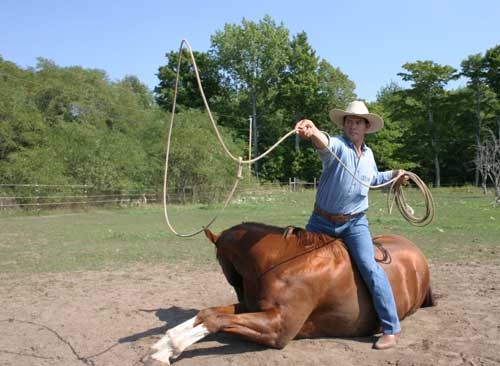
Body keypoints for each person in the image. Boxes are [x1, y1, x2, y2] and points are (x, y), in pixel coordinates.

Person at [295, 100, 408, 350]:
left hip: (355, 224)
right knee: (298, 263)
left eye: (357, 122)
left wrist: (394, 175)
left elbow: (372, 178)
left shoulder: (368, 155)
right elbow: (324, 142)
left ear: (366, 127)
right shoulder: (337, 146)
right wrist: (313, 131)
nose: (352, 125)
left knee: (370, 268)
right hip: (321, 221)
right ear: (344, 124)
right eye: (349, 121)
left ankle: (391, 328)